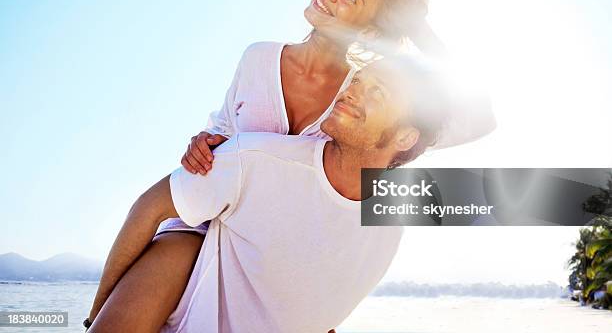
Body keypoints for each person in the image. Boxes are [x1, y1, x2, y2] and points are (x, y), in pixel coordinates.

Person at [87, 0, 465, 327]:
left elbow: (457, 109)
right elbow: (223, 132)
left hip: (268, 262)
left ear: (369, 31)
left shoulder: (358, 101)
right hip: (201, 224)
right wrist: (203, 143)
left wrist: (418, 28)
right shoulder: (258, 59)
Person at [88, 58, 450, 332]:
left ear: (405, 137)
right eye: (359, 79)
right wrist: (96, 315)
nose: (351, 90)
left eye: (378, 91)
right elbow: (150, 207)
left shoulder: (387, 230)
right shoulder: (254, 160)